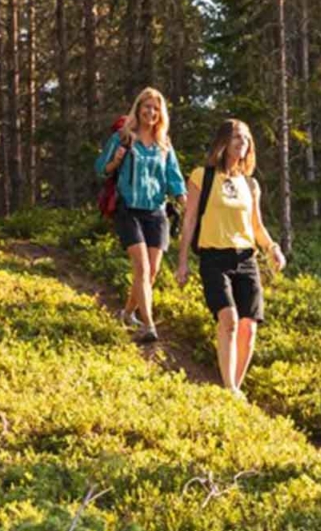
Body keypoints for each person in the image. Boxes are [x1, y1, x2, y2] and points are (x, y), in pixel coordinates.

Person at [177, 120, 287, 395]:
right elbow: (189, 220)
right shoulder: (202, 176)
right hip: (214, 258)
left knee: (249, 328)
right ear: (223, 142)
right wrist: (182, 262)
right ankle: (229, 385)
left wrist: (272, 248)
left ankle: (233, 388)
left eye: (247, 140)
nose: (243, 144)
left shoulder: (250, 185)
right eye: (237, 138)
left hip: (246, 259)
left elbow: (257, 226)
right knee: (229, 320)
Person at [94, 87, 188, 342]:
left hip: (156, 212)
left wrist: (184, 201)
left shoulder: (164, 144)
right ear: (138, 109)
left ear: (161, 114)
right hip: (128, 210)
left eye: (156, 108)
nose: (151, 112)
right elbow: (101, 168)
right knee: (142, 267)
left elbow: (174, 177)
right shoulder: (124, 137)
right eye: (146, 107)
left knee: (153, 270)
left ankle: (127, 313)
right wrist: (115, 160)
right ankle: (148, 325)